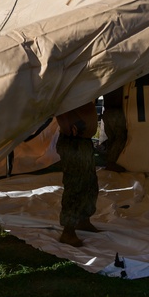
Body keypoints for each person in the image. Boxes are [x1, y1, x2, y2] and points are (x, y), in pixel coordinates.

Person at [55, 101, 101, 246]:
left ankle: (83, 220)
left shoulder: (83, 85)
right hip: (73, 142)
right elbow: (58, 107)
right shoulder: (68, 85)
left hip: (83, 142)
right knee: (75, 186)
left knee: (90, 183)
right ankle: (68, 231)